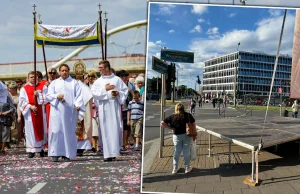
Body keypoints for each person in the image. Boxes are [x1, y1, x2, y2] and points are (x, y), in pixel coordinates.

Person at [91, 60, 128, 162]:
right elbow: (94, 93)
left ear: (107, 68)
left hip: (114, 107)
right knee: (105, 129)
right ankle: (107, 153)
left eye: (101, 68)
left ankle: (114, 152)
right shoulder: (98, 81)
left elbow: (125, 91)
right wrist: (105, 89)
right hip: (104, 107)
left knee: (114, 129)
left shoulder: (117, 79)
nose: (99, 70)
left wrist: (118, 93)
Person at [46, 64, 84, 162]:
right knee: (56, 131)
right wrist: (56, 96)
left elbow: (79, 95)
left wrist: (78, 104)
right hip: (57, 111)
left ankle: (67, 154)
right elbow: (48, 95)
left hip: (70, 112)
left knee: (68, 132)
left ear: (68, 71)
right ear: (59, 72)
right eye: (62, 70)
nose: (64, 72)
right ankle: (55, 153)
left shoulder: (74, 83)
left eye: (66, 70)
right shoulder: (54, 83)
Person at [160, 103, 195, 174]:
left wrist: (170, 128)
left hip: (176, 135)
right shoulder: (188, 115)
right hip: (187, 135)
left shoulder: (173, 117)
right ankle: (187, 168)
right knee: (186, 151)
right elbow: (194, 124)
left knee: (177, 151)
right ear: (183, 108)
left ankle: (175, 168)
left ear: (176, 109)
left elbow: (162, 123)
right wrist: (194, 135)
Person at [19, 71, 46, 158]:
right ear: (28, 78)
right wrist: (30, 106)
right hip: (30, 113)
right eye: (31, 77)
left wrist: (39, 95)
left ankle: (42, 149)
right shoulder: (24, 88)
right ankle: (31, 150)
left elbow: (47, 98)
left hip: (41, 111)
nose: (33, 79)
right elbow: (22, 102)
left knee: (42, 129)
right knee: (30, 131)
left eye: (35, 77)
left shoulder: (43, 86)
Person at [75, 74, 93, 156]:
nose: (78, 80)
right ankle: (77, 148)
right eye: (77, 77)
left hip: (82, 110)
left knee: (83, 128)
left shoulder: (86, 88)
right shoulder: (73, 87)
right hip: (75, 110)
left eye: (80, 78)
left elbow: (88, 97)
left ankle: (80, 148)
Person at [116, 70, 134, 152]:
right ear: (121, 77)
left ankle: (124, 143)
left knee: (126, 127)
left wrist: (134, 101)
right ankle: (119, 143)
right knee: (119, 127)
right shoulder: (116, 84)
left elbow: (132, 92)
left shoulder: (127, 84)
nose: (127, 78)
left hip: (126, 108)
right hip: (117, 108)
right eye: (126, 77)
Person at [86, 70, 100, 153]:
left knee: (95, 128)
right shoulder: (85, 86)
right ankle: (90, 144)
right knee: (88, 128)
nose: (90, 78)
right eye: (89, 77)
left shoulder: (97, 86)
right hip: (87, 109)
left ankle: (95, 145)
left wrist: (95, 104)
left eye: (92, 76)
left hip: (95, 109)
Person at [0, 82, 15, 154]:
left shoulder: (7, 98)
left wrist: (6, 112)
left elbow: (13, 108)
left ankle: (3, 149)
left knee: (5, 134)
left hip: (6, 119)